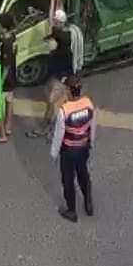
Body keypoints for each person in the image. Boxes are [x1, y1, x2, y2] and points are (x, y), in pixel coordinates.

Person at [27, 3, 83, 138]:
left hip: (62, 76)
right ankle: (64, 123)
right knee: (51, 97)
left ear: (59, 23)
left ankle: (45, 128)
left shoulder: (61, 37)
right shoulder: (67, 34)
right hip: (59, 74)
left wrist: (53, 1)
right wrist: (56, 0)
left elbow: (51, 23)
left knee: (51, 101)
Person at [51, 75, 96, 222]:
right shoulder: (88, 104)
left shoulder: (64, 110)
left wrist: (54, 153)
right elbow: (92, 127)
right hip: (83, 148)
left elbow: (59, 135)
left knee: (68, 180)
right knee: (83, 174)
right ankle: (88, 204)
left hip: (68, 151)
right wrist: (91, 143)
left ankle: (72, 211)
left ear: (69, 91)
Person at [0, 12, 18, 143]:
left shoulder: (6, 43)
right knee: (10, 101)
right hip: (13, 76)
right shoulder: (12, 37)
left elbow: (5, 67)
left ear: (3, 26)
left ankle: (2, 135)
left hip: (5, 78)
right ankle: (8, 127)